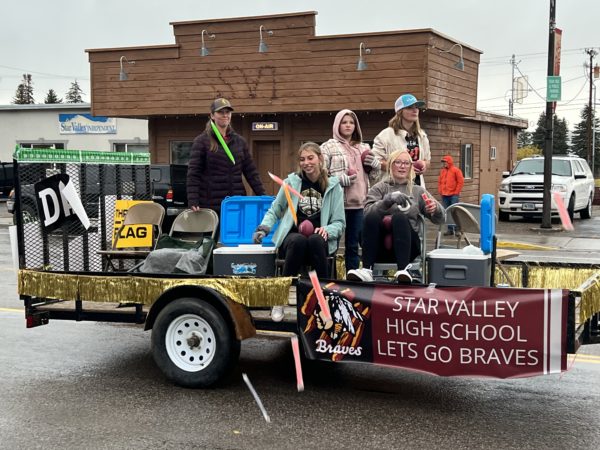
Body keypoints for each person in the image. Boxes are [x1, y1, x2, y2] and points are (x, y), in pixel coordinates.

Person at [347, 150, 444, 283]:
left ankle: (403, 270)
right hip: (377, 247)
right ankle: (367, 269)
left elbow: (441, 219)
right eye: (398, 162)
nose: (402, 166)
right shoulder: (379, 188)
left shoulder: (418, 191)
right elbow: (366, 215)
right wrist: (386, 202)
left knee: (399, 217)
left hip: (408, 248)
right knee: (372, 215)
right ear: (390, 165)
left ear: (411, 167)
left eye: (406, 163)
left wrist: (435, 209)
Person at [252, 142, 345, 279]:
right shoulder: (291, 183)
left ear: (320, 159)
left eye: (310, 158)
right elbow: (275, 210)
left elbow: (339, 223)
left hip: (319, 240)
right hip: (293, 237)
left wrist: (327, 230)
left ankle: (322, 287)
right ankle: (287, 285)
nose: (306, 163)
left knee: (315, 240)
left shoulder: (334, 186)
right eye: (302, 159)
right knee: (298, 240)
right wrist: (263, 229)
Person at [187, 98, 265, 216]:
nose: (225, 115)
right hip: (211, 205)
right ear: (212, 115)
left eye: (227, 112)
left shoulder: (240, 141)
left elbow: (251, 172)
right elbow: (193, 174)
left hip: (236, 202)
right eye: (220, 112)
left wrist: (263, 196)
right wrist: (193, 200)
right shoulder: (201, 141)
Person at [320, 109, 370, 273]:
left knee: (353, 245)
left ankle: (352, 276)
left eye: (351, 122)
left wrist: (375, 166)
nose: (348, 125)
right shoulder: (328, 147)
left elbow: (373, 176)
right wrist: (339, 180)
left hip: (359, 204)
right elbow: (321, 175)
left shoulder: (363, 148)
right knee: (331, 243)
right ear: (337, 125)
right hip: (337, 204)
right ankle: (329, 278)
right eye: (344, 122)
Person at [369, 93, 431, 186]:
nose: (415, 110)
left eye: (417, 107)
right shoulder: (385, 135)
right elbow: (376, 161)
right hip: (393, 187)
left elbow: (427, 160)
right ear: (400, 111)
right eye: (409, 107)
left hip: (417, 187)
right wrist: (402, 167)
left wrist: (424, 164)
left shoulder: (422, 136)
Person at [437, 154, 465, 236]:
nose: (444, 163)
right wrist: (440, 190)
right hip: (444, 195)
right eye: (443, 162)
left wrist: (456, 192)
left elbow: (460, 182)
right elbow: (440, 182)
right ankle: (450, 229)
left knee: (454, 212)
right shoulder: (442, 171)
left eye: (445, 162)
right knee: (447, 212)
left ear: (449, 162)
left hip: (453, 195)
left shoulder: (456, 170)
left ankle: (457, 229)